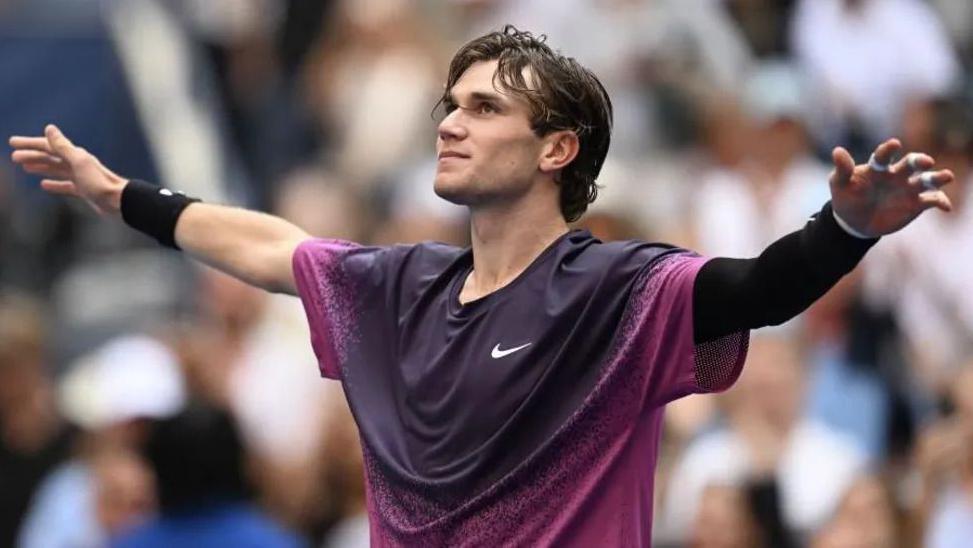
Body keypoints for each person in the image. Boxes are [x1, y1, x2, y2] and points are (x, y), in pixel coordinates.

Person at [9, 25, 955, 547]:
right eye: (449, 105)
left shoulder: (616, 291)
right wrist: (122, 194)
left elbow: (758, 288)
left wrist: (844, 228)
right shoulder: (394, 284)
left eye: (484, 107)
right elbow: (267, 244)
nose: (451, 124)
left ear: (557, 148)